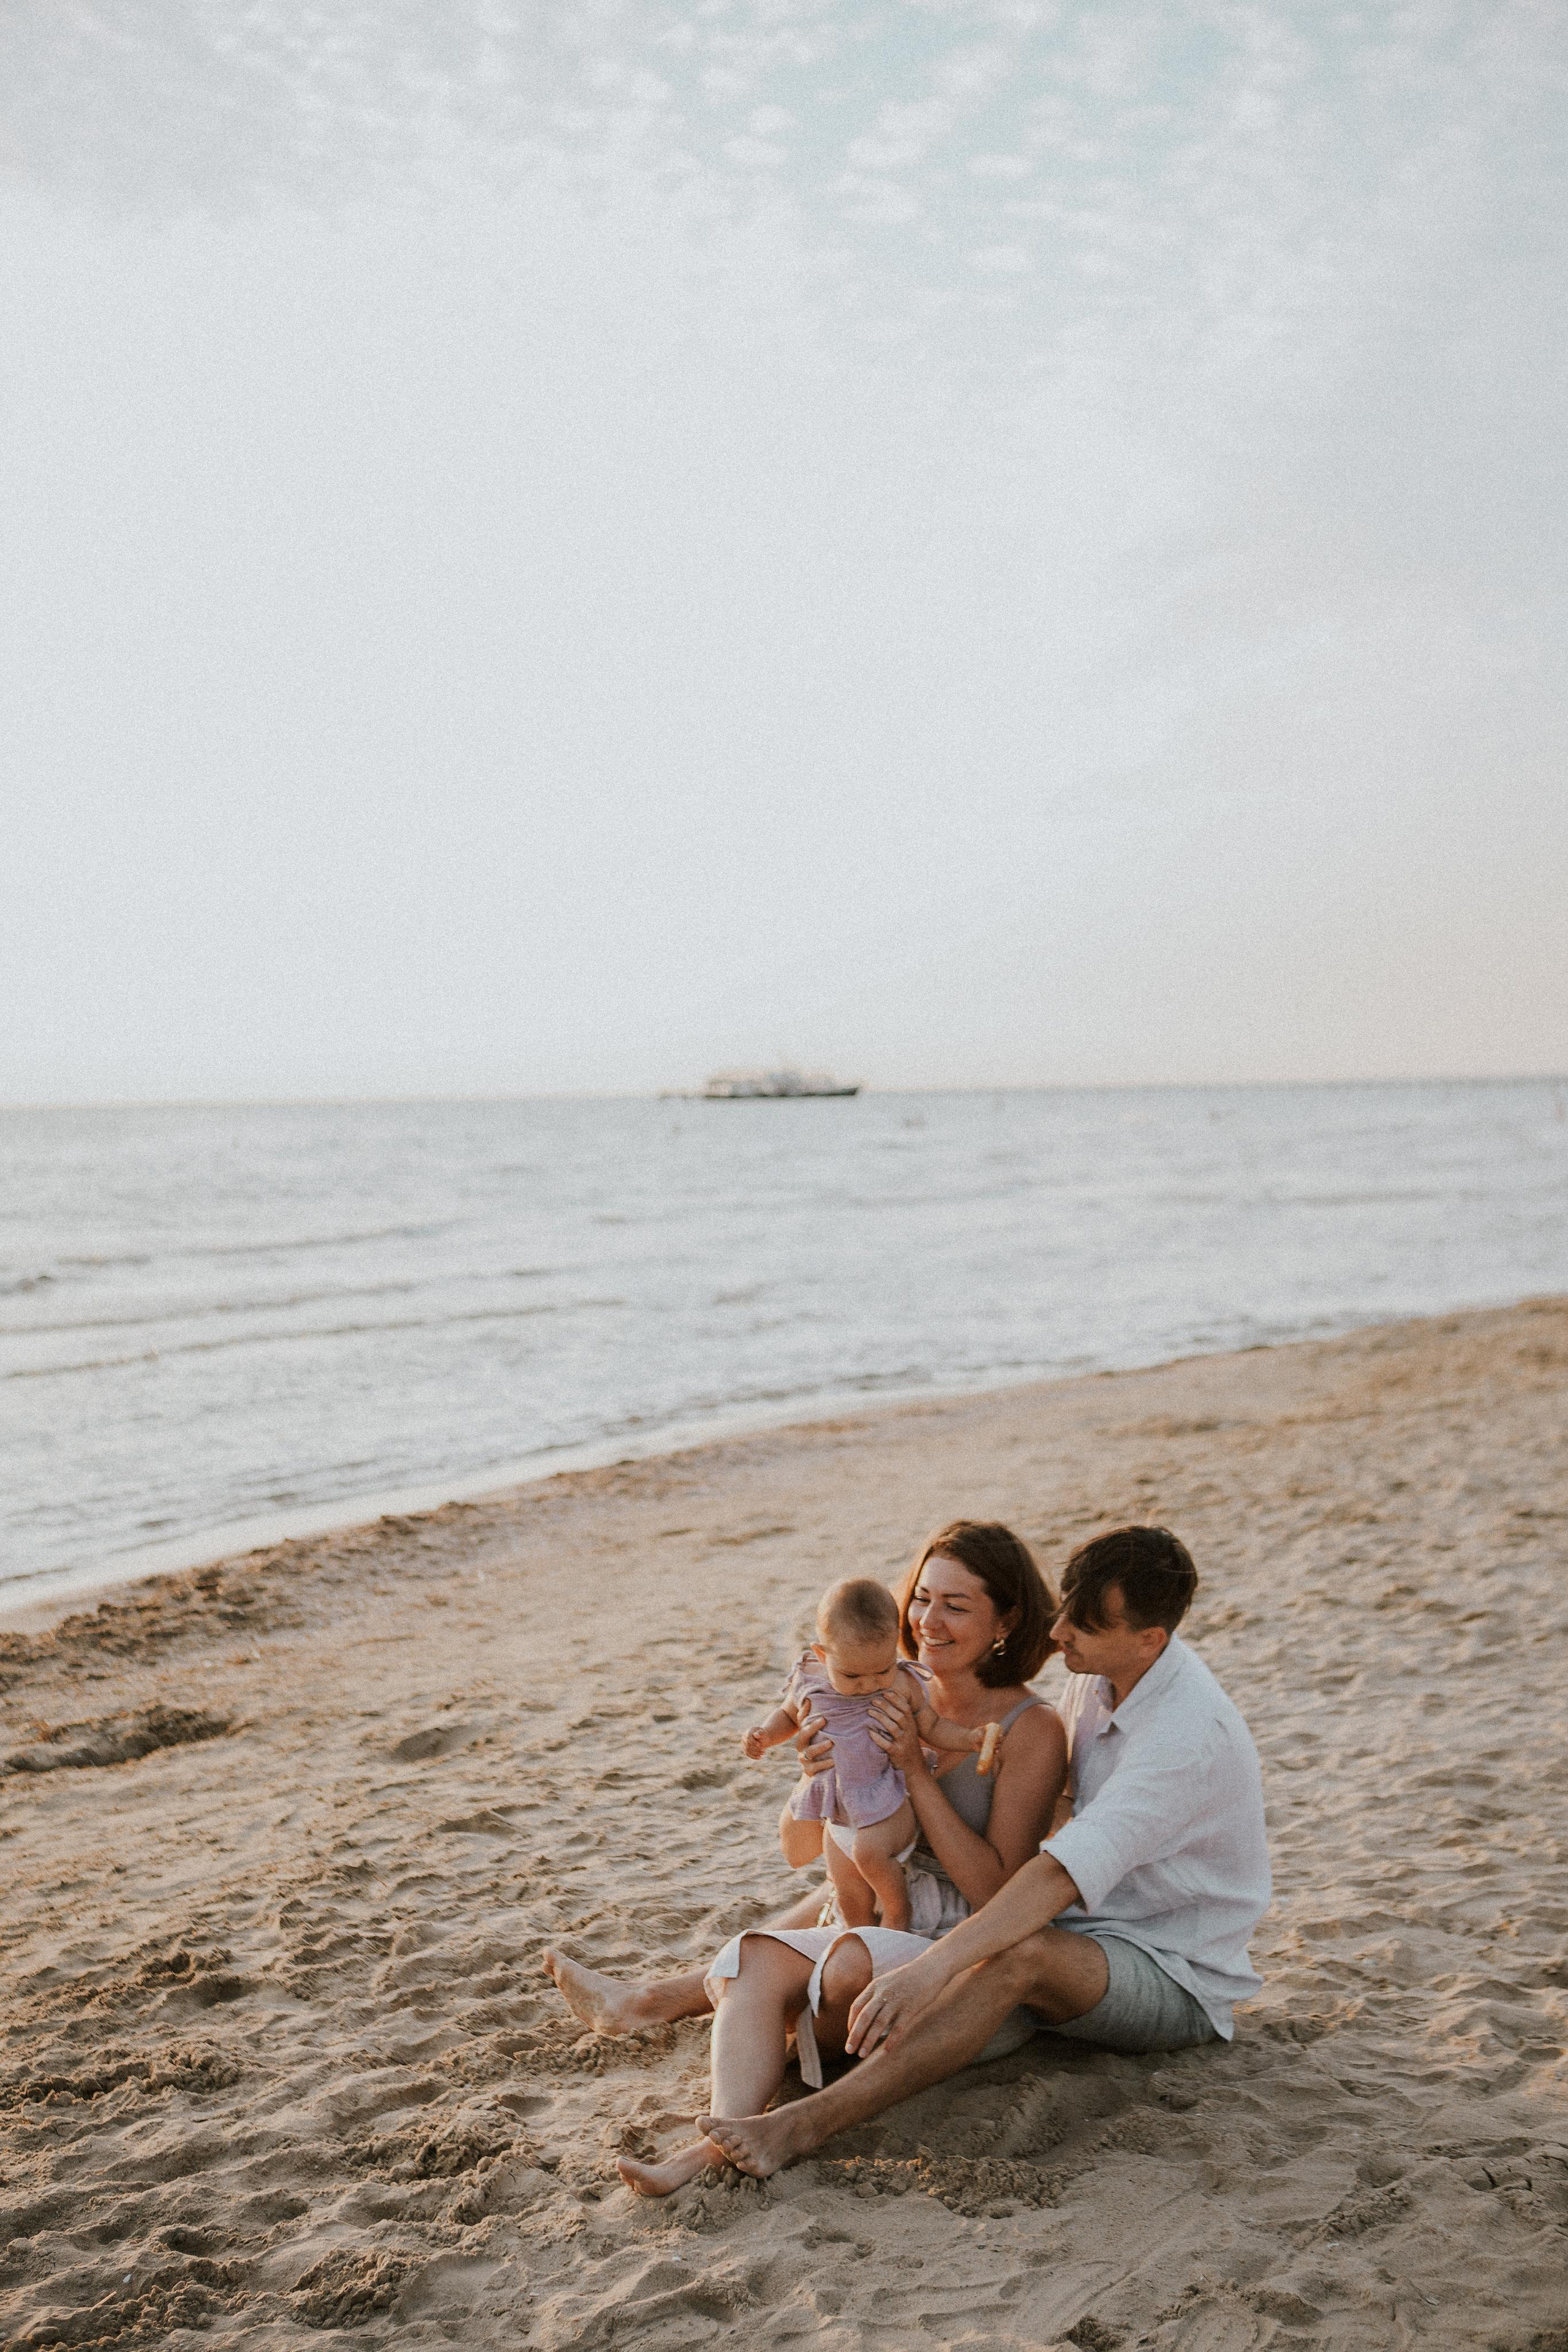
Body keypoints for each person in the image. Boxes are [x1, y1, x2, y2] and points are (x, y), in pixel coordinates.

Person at [699, 1525, 1272, 2182]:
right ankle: (690, 2024)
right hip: (1084, 1922)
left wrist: (931, 1969)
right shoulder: (1099, 1676)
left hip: (1168, 1961)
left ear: (1149, 1640)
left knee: (1017, 1952)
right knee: (819, 1929)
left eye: (1082, 1626)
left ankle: (801, 2125)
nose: (1058, 1636)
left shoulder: (1181, 1737)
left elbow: (1054, 1876)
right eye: (1064, 1610)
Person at [541, 1519, 1068, 2196]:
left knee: (840, 1963)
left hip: (954, 1952)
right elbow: (798, 1852)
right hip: (868, 1911)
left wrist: (913, 1770)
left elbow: (999, 1895)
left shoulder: (1028, 1727)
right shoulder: (870, 1684)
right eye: (921, 1598)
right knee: (753, 1956)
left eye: (956, 1606)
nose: (929, 1621)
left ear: (1007, 1620)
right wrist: (809, 1776)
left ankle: (698, 2042)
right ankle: (715, 2140)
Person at [745, 1574, 1002, 1932]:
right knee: (842, 1879)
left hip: (888, 1800)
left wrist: (968, 1739)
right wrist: (764, 1736)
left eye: (882, 1669)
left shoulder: (900, 1684)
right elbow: (788, 1716)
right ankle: (859, 1931)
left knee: (868, 1854)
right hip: (840, 1809)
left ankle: (899, 1914)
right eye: (851, 1676)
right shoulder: (812, 1682)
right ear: (822, 1655)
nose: (868, 1684)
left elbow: (931, 1726)